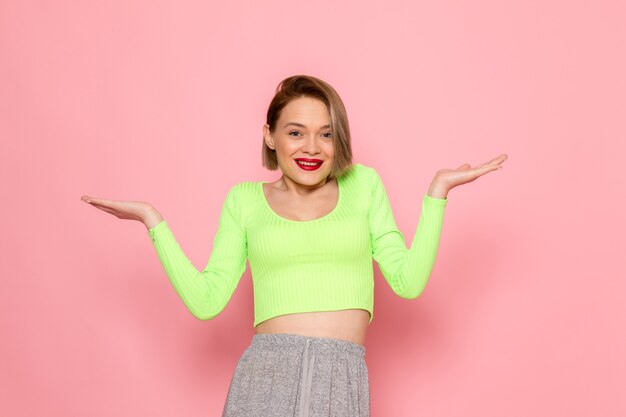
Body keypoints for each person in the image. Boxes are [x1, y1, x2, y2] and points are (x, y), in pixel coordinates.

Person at [81, 74, 507, 416]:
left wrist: (436, 195)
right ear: (270, 136)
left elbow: (408, 281)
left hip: (341, 378)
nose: (311, 147)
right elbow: (207, 301)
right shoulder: (244, 200)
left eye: (325, 134)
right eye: (296, 132)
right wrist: (153, 222)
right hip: (265, 376)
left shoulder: (364, 186)